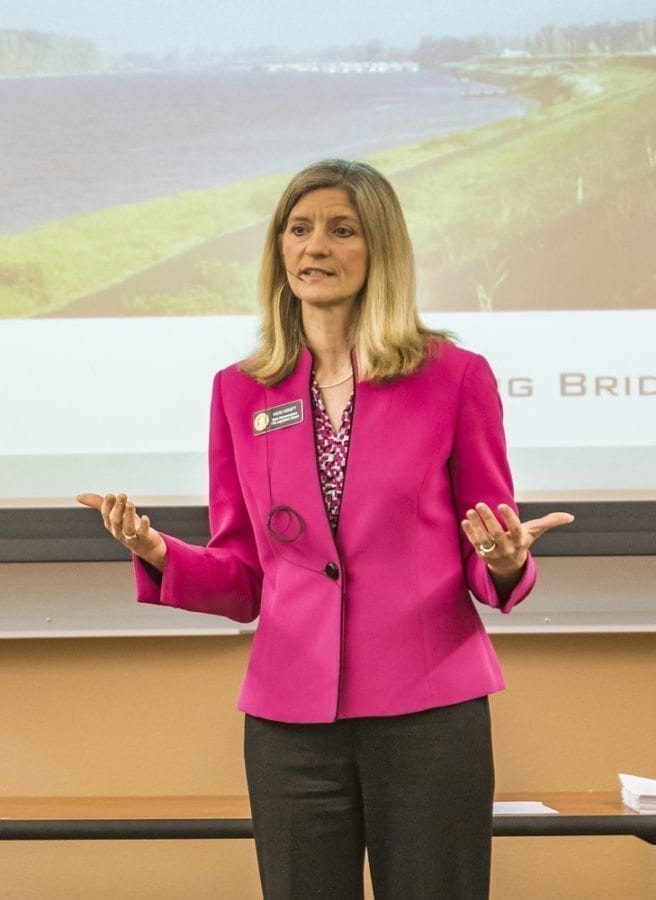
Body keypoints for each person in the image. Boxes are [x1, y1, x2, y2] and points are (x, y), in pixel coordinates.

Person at [79, 158, 573, 899]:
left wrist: (503, 560)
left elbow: (491, 553)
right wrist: (156, 551)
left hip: (429, 715)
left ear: (380, 249)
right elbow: (244, 579)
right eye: (298, 229)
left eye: (341, 231)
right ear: (279, 250)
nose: (316, 247)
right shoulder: (240, 391)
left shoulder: (453, 377)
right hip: (289, 724)